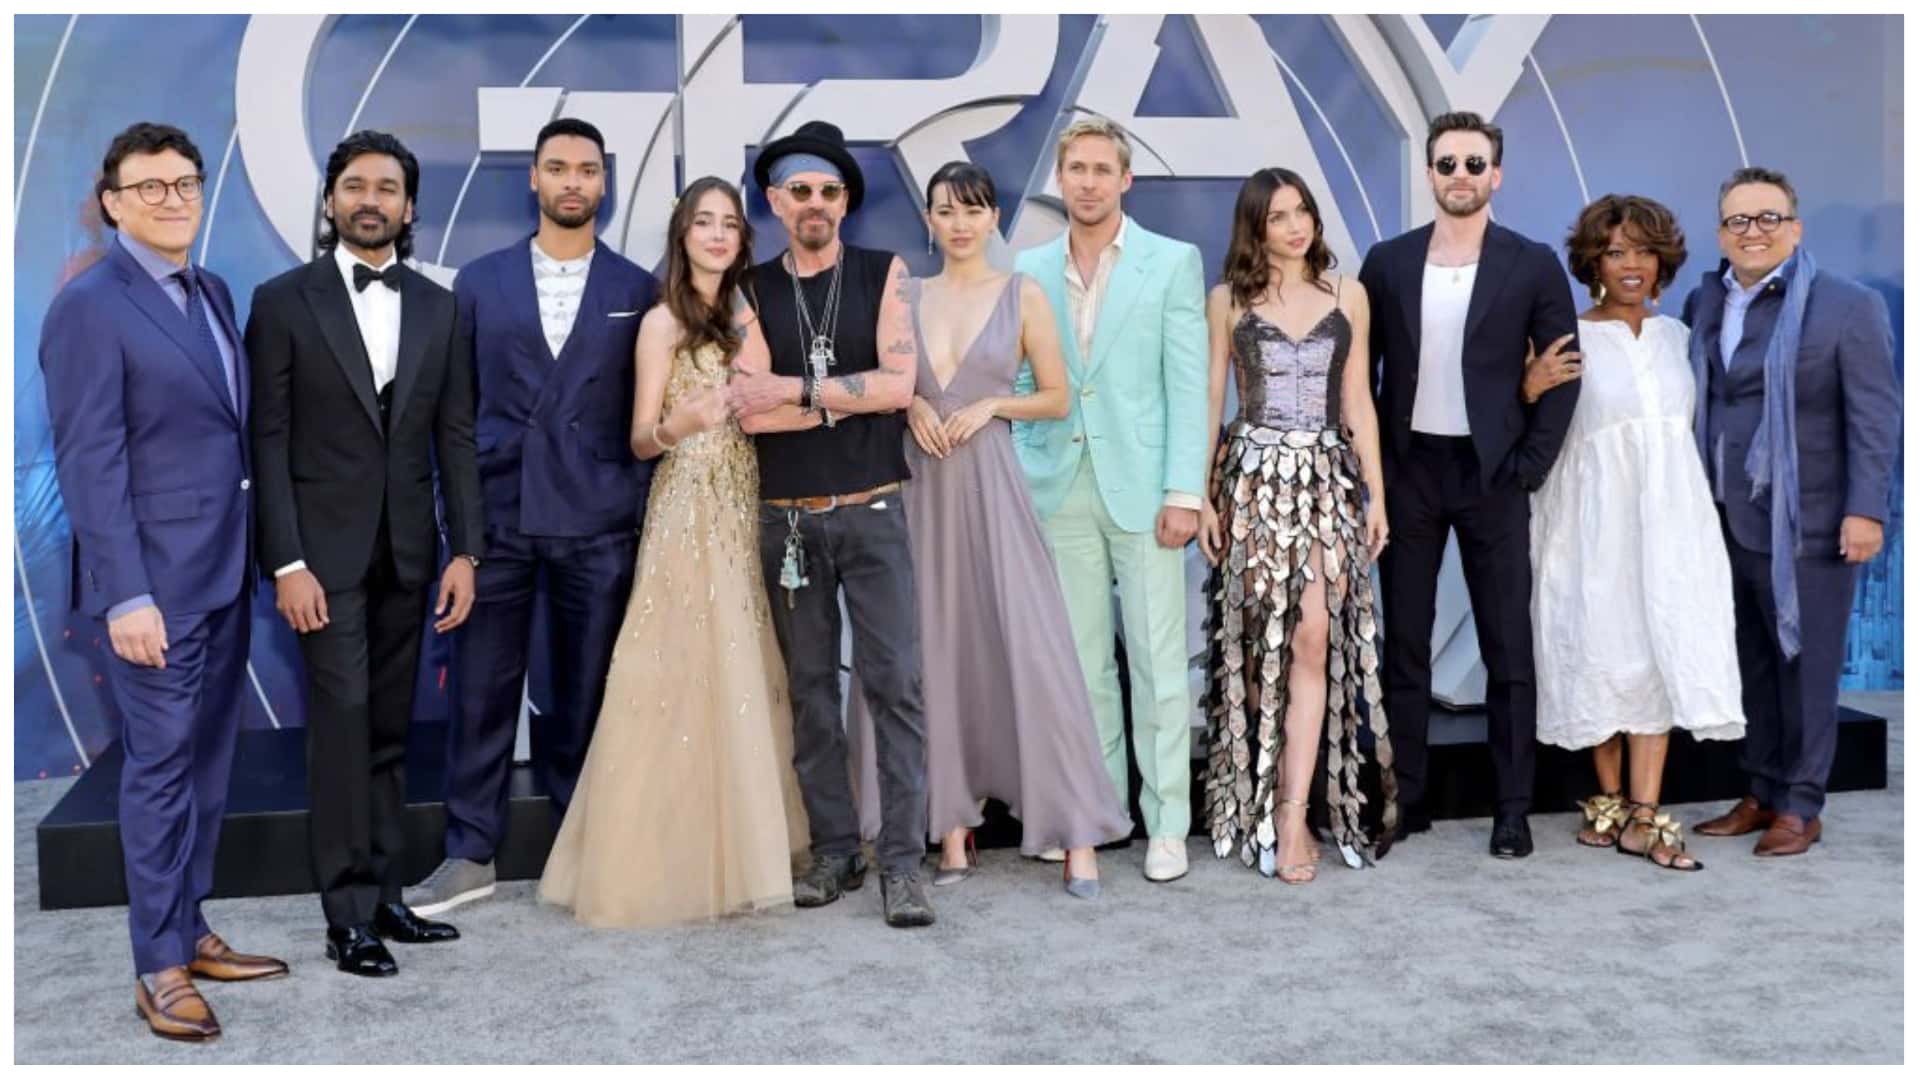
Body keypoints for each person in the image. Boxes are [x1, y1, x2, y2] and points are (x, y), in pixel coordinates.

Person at [40, 121, 286, 1042]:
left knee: (206, 767)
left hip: (223, 576)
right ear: (111, 202)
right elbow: (90, 463)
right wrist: (127, 594)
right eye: (151, 187)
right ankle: (157, 965)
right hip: (153, 592)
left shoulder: (212, 290)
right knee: (158, 774)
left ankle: (189, 924)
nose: (174, 198)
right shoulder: (90, 305)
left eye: (185, 182)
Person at [846, 161, 1133, 898]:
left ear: (993, 216)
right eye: (946, 210)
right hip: (916, 490)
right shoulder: (904, 296)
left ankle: (1076, 833)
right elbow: (886, 385)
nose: (961, 223)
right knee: (926, 649)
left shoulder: (1023, 294)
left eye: (973, 209)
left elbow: (1060, 396)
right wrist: (909, 406)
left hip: (993, 488)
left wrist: (996, 405)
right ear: (930, 220)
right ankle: (949, 828)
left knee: (1033, 648)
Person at [539, 177, 808, 927]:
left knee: (745, 667)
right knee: (673, 667)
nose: (718, 235)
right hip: (685, 502)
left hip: (743, 499)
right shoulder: (661, 320)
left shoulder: (749, 313)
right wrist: (682, 421)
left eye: (729, 224)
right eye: (704, 222)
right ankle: (664, 854)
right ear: (681, 232)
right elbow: (637, 438)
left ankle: (744, 847)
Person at [407, 118, 660, 918]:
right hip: (500, 522)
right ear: (534, 179)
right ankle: (469, 852)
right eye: (558, 168)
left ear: (605, 182)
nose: (573, 182)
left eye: (588, 169)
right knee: (481, 692)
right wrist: (463, 536)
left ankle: (583, 850)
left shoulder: (636, 288)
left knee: (587, 697)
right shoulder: (479, 282)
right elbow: (457, 415)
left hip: (598, 520)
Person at [246, 130, 483, 976]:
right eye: (355, 185)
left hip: (413, 556)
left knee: (388, 731)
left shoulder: (439, 305)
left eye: (387, 186)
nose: (371, 198)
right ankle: (345, 913)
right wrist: (287, 563)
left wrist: (468, 554)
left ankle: (385, 894)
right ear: (331, 201)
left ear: (409, 207)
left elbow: (455, 438)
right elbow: (266, 442)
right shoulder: (281, 302)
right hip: (321, 560)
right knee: (342, 730)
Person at [728, 120, 935, 928]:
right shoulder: (750, 288)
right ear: (777, 202)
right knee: (811, 691)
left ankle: (905, 864)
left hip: (873, 507)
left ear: (846, 201)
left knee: (896, 686)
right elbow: (747, 411)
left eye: (829, 191)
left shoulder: (885, 273)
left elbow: (899, 385)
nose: (815, 204)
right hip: (786, 522)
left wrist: (799, 393)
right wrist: (838, 397)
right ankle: (836, 848)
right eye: (799, 191)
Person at [1357, 111, 1581, 859]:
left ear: (1497, 174)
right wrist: (1373, 477)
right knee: (1406, 649)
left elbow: (1562, 371)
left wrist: (1527, 467)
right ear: (1428, 174)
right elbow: (1362, 379)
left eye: (1474, 164)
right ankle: (1405, 799)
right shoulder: (1386, 262)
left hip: (1493, 475)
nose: (1461, 176)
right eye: (1447, 164)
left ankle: (1512, 808)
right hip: (1411, 470)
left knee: (1507, 647)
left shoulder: (1532, 262)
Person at [1011, 117, 1209, 884]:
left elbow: (1187, 384)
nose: (1088, 181)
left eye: (1102, 168)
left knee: (1160, 663)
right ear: (1059, 180)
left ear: (1125, 180)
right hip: (1058, 489)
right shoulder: (1028, 266)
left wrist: (1184, 491)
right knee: (1082, 666)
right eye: (1076, 168)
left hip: (1147, 492)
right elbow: (1025, 380)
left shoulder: (1171, 263)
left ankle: (1168, 825)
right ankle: (1098, 814)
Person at [1684, 167, 1900, 857]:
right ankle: (1763, 788)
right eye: (1739, 220)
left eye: (1768, 218)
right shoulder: (1704, 302)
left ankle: (1802, 804)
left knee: (1806, 667)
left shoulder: (1847, 305)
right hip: (1725, 518)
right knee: (1751, 662)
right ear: (1721, 233)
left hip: (1809, 519)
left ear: (1796, 228)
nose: (1753, 231)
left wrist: (1866, 509)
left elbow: (1875, 418)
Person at [1528, 194, 1745, 872]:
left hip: (1673, 520)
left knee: (1657, 650)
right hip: (1592, 522)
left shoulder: (1680, 337)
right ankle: (1610, 799)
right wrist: (1529, 385)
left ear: (1663, 262)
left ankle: (1646, 813)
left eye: (1645, 252)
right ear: (1593, 260)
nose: (1631, 265)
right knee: (1602, 647)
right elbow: (1531, 425)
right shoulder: (1569, 337)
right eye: (1617, 251)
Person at [1198, 168, 1397, 883]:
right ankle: (1261, 793)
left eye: (1303, 210)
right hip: (1251, 480)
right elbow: (1210, 400)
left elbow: (1359, 403)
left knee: (1312, 635)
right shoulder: (1227, 300)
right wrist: (1203, 498)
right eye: (1278, 215)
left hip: (1325, 484)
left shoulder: (1350, 295)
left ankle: (1292, 813)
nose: (1295, 225)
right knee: (1261, 645)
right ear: (1255, 226)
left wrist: (1374, 494)